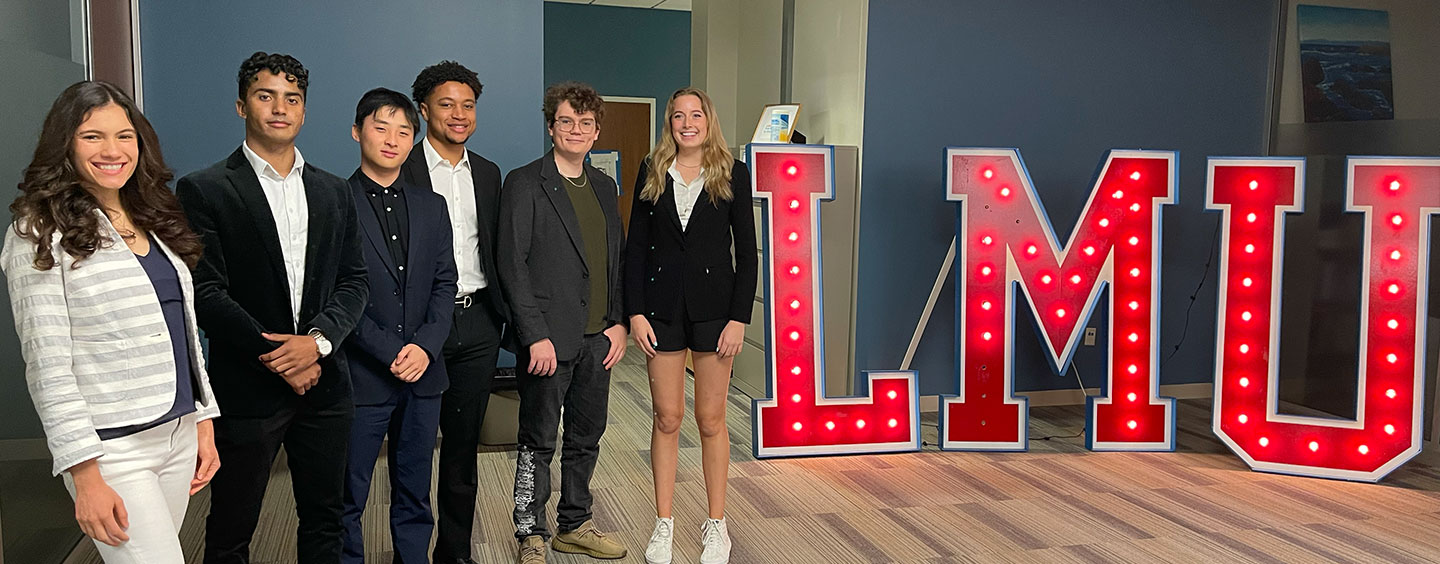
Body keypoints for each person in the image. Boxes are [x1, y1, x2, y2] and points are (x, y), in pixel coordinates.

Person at [1, 80, 221, 563]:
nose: (112, 150)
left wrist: (203, 420)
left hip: (178, 432)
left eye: (124, 135)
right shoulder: (36, 232)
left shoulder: (150, 216)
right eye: (91, 136)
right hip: (112, 451)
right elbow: (47, 364)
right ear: (64, 144)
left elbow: (180, 332)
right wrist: (84, 474)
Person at [175, 52, 368, 564]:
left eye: (292, 99)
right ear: (242, 105)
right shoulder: (205, 189)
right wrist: (285, 357)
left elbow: (354, 281)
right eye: (266, 96)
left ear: (303, 112)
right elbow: (206, 292)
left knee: (326, 521)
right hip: (247, 389)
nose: (279, 108)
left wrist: (317, 345)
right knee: (231, 529)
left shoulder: (334, 191)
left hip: (326, 385)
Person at [498, 81, 628, 564]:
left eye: (586, 123)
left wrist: (618, 321)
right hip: (548, 341)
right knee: (537, 440)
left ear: (596, 132)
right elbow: (512, 264)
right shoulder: (525, 182)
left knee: (585, 437)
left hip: (599, 339)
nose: (576, 130)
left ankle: (575, 523)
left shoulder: (603, 185)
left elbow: (614, 258)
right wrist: (534, 335)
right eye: (567, 121)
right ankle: (530, 530)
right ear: (551, 127)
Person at [625, 87, 756, 564]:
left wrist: (740, 318)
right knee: (667, 418)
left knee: (710, 420)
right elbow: (635, 247)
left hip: (716, 314)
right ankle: (664, 524)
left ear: (708, 120)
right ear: (670, 124)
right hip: (659, 313)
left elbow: (748, 252)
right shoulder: (652, 171)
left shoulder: (732, 173)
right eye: (678, 116)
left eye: (695, 114)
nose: (687, 123)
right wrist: (634, 311)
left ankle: (716, 525)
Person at [339, 87, 458, 564]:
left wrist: (426, 346)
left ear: (414, 139)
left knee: (414, 488)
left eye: (403, 130)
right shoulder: (334, 202)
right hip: (363, 375)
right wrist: (390, 351)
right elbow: (334, 295)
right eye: (380, 127)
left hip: (424, 373)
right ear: (357, 131)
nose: (392, 139)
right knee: (348, 493)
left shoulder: (432, 206)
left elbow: (445, 282)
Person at [397, 61, 507, 564]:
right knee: (412, 451)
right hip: (419, 328)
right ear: (423, 110)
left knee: (463, 452)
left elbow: (497, 251)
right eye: (446, 104)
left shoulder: (487, 173)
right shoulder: (402, 168)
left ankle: (455, 553)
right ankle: (409, 553)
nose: (459, 114)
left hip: (479, 322)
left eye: (468, 105)